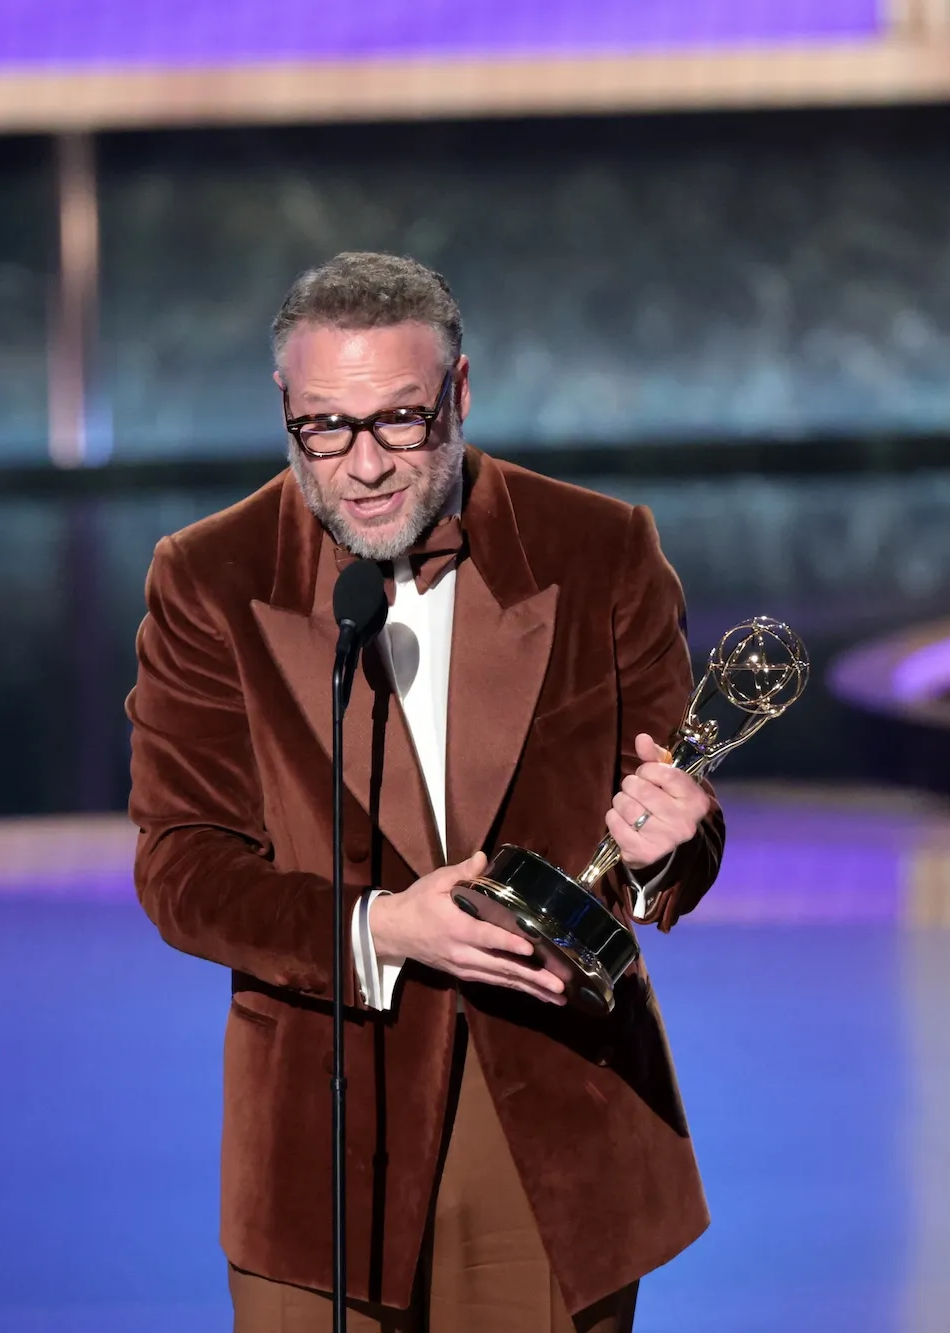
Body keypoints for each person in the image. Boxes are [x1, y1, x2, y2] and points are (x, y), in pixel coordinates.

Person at [129, 252, 724, 1332]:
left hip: (550, 1113)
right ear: (284, 406)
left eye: (399, 420)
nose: (363, 466)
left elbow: (672, 819)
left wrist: (669, 844)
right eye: (324, 427)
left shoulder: (598, 549)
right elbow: (183, 866)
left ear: (458, 391)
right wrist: (379, 927)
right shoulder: (209, 576)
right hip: (323, 1127)